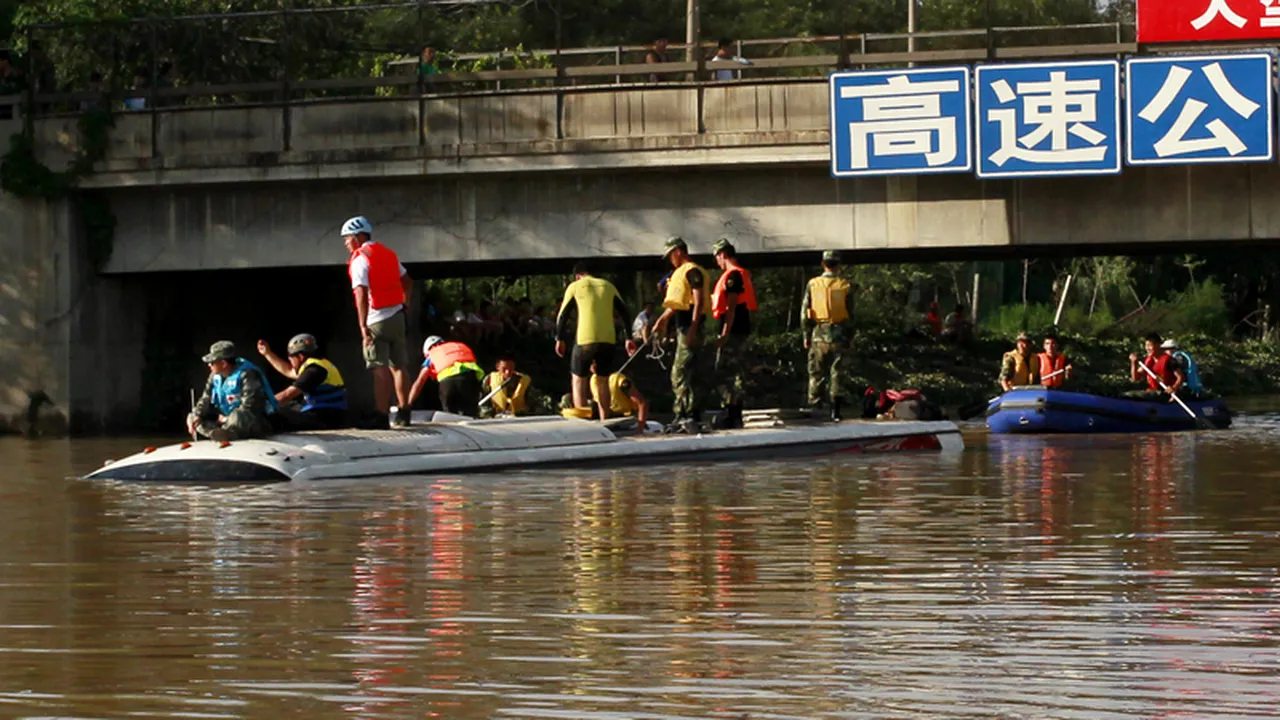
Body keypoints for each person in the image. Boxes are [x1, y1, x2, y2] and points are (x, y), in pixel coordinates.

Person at [343, 215, 413, 428]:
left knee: (378, 368)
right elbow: (408, 281)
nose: (346, 243)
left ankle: (381, 416)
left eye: (347, 238)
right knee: (399, 366)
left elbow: (361, 294)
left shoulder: (360, 259)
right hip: (397, 317)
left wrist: (363, 326)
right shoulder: (389, 254)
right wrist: (405, 304)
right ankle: (404, 412)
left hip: (376, 319)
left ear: (358, 236)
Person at [556, 261, 635, 421]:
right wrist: (629, 338)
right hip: (608, 339)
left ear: (578, 275)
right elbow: (624, 312)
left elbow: (563, 315)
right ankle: (605, 418)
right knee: (602, 380)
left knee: (578, 379)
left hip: (585, 338)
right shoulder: (608, 286)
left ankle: (582, 419)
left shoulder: (575, 287)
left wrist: (559, 338)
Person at [651, 237, 711, 433]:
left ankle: (684, 413)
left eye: (670, 255)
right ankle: (691, 413)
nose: (670, 260)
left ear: (678, 251)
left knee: (680, 373)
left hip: (689, 329)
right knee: (689, 372)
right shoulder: (680, 273)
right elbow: (679, 302)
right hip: (683, 328)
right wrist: (663, 319)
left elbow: (698, 301)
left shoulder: (691, 271)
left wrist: (692, 329)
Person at [187, 341, 278, 442]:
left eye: (212, 362)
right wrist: (198, 414)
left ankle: (226, 432)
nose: (209, 365)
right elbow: (206, 398)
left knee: (238, 416)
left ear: (223, 363)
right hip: (226, 421)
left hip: (251, 420)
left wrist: (227, 419)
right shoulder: (214, 376)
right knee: (193, 416)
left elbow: (250, 406)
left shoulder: (247, 374)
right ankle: (218, 433)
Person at [801, 250, 854, 421]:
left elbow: (804, 313)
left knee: (816, 372)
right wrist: (851, 337)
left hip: (818, 333)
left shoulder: (813, 284)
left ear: (823, 264)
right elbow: (852, 314)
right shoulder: (845, 285)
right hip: (839, 333)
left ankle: (816, 408)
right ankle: (835, 411)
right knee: (837, 372)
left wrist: (805, 335)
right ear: (838, 265)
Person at [256, 334, 349, 430]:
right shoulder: (318, 365)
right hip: (322, 413)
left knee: (273, 414)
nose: (290, 360)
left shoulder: (314, 371)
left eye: (291, 357)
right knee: (288, 405)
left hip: (325, 418)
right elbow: (288, 370)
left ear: (300, 357)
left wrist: (260, 405)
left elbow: (287, 395)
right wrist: (267, 353)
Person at [711, 238, 756, 430]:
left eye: (717, 258)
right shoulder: (742, 274)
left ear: (722, 255)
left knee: (724, 373)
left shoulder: (733, 276)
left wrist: (724, 333)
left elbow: (730, 306)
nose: (717, 263)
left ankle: (731, 411)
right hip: (741, 329)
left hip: (733, 331)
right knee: (737, 372)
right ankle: (734, 412)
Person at [409, 336, 485, 416]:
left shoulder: (432, 354)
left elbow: (420, 381)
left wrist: (408, 404)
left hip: (448, 383)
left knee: (450, 416)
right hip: (469, 379)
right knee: (471, 414)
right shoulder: (458, 346)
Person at [589, 360, 649, 428]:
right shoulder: (593, 379)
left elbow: (642, 403)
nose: (592, 366)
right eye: (591, 363)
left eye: (595, 363)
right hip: (604, 421)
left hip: (624, 420)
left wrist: (640, 429)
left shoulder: (619, 380)